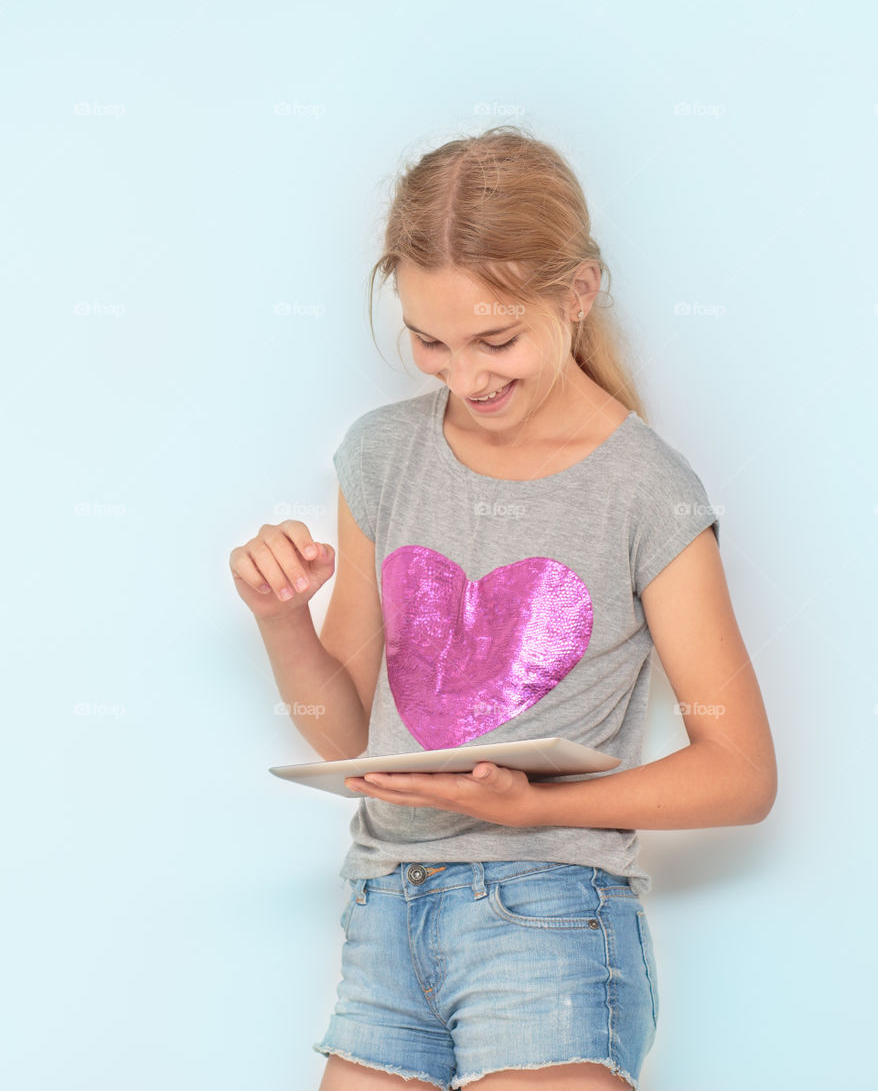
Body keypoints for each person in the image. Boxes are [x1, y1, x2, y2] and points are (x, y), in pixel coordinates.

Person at [229, 126, 777, 1091]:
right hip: (385, 913)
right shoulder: (382, 455)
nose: (466, 377)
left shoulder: (648, 490)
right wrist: (281, 617)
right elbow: (346, 737)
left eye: (496, 340)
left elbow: (740, 774)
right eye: (430, 342)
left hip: (551, 919)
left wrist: (530, 808)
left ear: (577, 294)